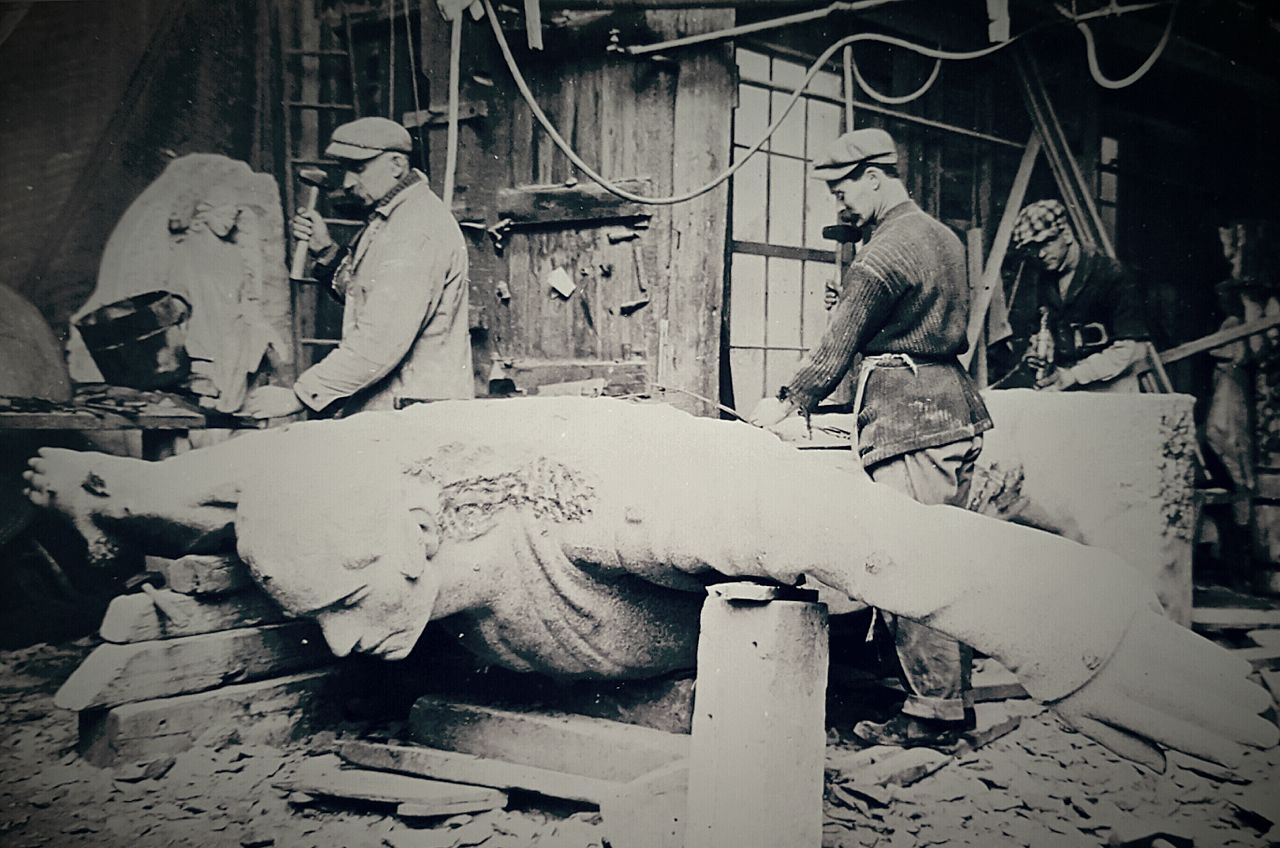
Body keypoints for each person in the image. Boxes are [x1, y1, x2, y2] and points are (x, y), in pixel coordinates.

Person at [22, 396, 1276, 773]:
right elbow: (236, 481)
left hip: (724, 517)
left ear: (425, 538)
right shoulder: (343, 488)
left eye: (361, 607)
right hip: (442, 499)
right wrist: (98, 486)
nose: (349, 645)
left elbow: (931, 561)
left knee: (893, 542)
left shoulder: (633, 504)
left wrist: (1217, 719)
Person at [750, 128, 992, 749]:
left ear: (874, 177)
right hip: (952, 407)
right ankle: (948, 702)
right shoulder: (938, 236)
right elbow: (923, 316)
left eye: (842, 190)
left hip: (910, 419)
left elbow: (837, 346)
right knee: (943, 561)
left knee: (910, 568)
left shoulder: (883, 251)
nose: (840, 205)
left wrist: (786, 403)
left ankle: (933, 717)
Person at [241, 116, 473, 419]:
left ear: (396, 165)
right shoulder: (392, 219)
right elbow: (368, 296)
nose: (348, 182)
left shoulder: (415, 230)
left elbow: (380, 340)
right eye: (346, 169)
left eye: (359, 168)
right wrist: (325, 250)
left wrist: (301, 395)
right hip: (397, 407)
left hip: (413, 413)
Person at [999, 199, 1149, 392]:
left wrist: (1073, 375)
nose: (1041, 254)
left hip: (1112, 386)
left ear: (1067, 234)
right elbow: (1041, 328)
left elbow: (1132, 350)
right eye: (1033, 248)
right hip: (1068, 384)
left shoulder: (1111, 274)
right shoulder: (1044, 280)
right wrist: (1039, 348)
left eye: (1047, 242)